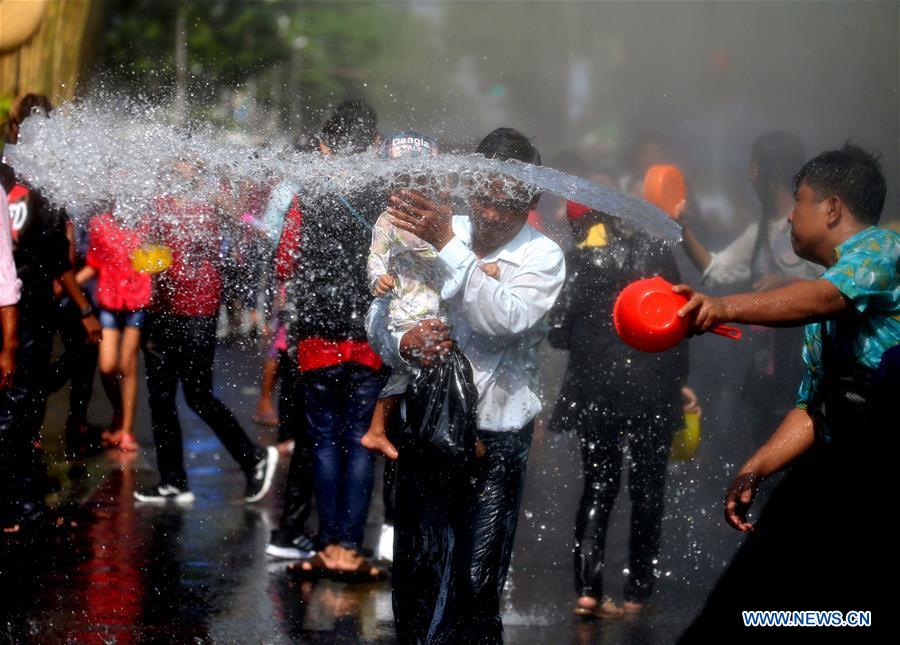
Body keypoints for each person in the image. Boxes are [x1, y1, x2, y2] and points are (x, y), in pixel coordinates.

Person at [677, 144, 897, 642]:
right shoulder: (824, 304)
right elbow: (814, 408)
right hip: (837, 469)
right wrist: (757, 466)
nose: (791, 217)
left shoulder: (883, 251)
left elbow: (822, 297)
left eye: (799, 202)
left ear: (832, 208)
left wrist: (723, 307)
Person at [368, 127, 565, 643]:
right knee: (417, 576)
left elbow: (503, 320)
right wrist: (403, 341)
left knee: (476, 585)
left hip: (494, 440)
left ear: (532, 201)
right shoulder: (435, 226)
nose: (492, 213)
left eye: (508, 203)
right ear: (469, 186)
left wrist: (449, 247)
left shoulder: (542, 256)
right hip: (426, 428)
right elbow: (382, 309)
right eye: (483, 197)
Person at [548, 202, 696, 618]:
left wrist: (590, 338)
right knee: (649, 489)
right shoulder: (655, 251)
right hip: (654, 386)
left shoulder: (578, 260)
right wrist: (679, 380)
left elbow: (557, 331)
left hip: (597, 390)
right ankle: (637, 593)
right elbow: (679, 317)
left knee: (598, 485)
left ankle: (588, 591)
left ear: (582, 223)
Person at [267, 101, 388, 578]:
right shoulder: (384, 195)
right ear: (373, 145)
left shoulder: (308, 193)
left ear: (324, 146)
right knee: (360, 440)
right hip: (369, 335)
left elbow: (285, 260)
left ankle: (326, 544)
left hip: (317, 332)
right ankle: (350, 548)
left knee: (321, 441)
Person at [134, 157, 278, 504]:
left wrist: (213, 191)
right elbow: (145, 254)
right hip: (161, 309)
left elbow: (247, 219)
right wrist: (145, 259)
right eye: (177, 163)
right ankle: (173, 480)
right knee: (160, 398)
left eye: (189, 163)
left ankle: (253, 457)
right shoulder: (158, 203)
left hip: (199, 309)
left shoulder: (211, 200)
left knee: (197, 395)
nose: (181, 168)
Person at [675, 132, 820, 440]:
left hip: (807, 361)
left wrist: (789, 282)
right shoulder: (761, 231)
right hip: (767, 365)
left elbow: (836, 282)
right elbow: (717, 271)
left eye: (754, 167)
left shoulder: (813, 225)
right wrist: (681, 228)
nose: (750, 177)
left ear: (771, 170)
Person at [1, 94, 101, 532]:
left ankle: (24, 495)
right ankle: (18, 503)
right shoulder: (40, 184)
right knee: (21, 406)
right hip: (26, 308)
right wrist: (85, 309)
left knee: (19, 402)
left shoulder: (9, 177)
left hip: (16, 305)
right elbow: (60, 260)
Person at [77, 210, 153, 452]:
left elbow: (156, 261)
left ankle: (127, 431)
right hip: (109, 300)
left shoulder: (146, 221)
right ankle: (120, 412)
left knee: (127, 366)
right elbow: (94, 264)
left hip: (137, 300)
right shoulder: (99, 224)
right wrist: (67, 285)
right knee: (107, 366)